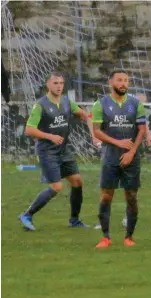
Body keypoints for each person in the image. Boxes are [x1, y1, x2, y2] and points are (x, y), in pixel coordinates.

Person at [18, 72, 91, 230]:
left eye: (61, 83)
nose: (59, 86)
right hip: (47, 151)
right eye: (55, 83)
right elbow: (29, 130)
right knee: (57, 187)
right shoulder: (41, 105)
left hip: (63, 150)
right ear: (48, 85)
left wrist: (87, 115)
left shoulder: (66, 101)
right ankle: (27, 214)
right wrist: (49, 136)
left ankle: (74, 220)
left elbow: (80, 113)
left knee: (77, 181)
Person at [91, 70, 147, 248]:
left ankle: (129, 237)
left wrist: (131, 152)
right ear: (111, 83)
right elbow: (97, 131)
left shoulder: (136, 103)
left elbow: (142, 130)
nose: (123, 83)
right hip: (110, 156)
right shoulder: (100, 104)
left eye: (126, 80)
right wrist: (118, 142)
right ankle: (105, 237)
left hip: (132, 158)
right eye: (119, 80)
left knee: (131, 196)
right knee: (106, 196)